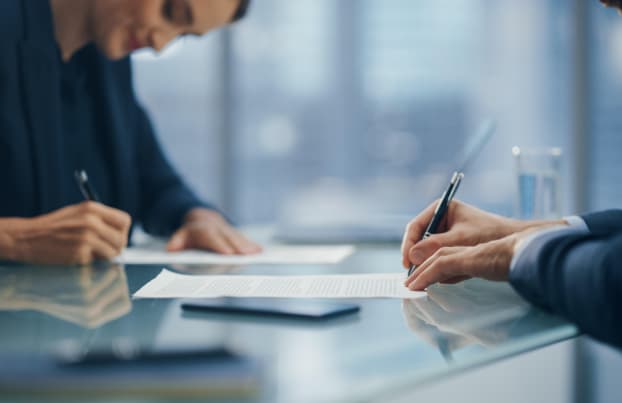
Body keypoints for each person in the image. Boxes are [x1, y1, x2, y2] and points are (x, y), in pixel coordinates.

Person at [0, 0, 262, 265]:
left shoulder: (107, 63)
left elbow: (155, 183)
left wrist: (197, 217)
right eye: (171, 12)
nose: (160, 44)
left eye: (183, 35)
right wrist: (15, 240)